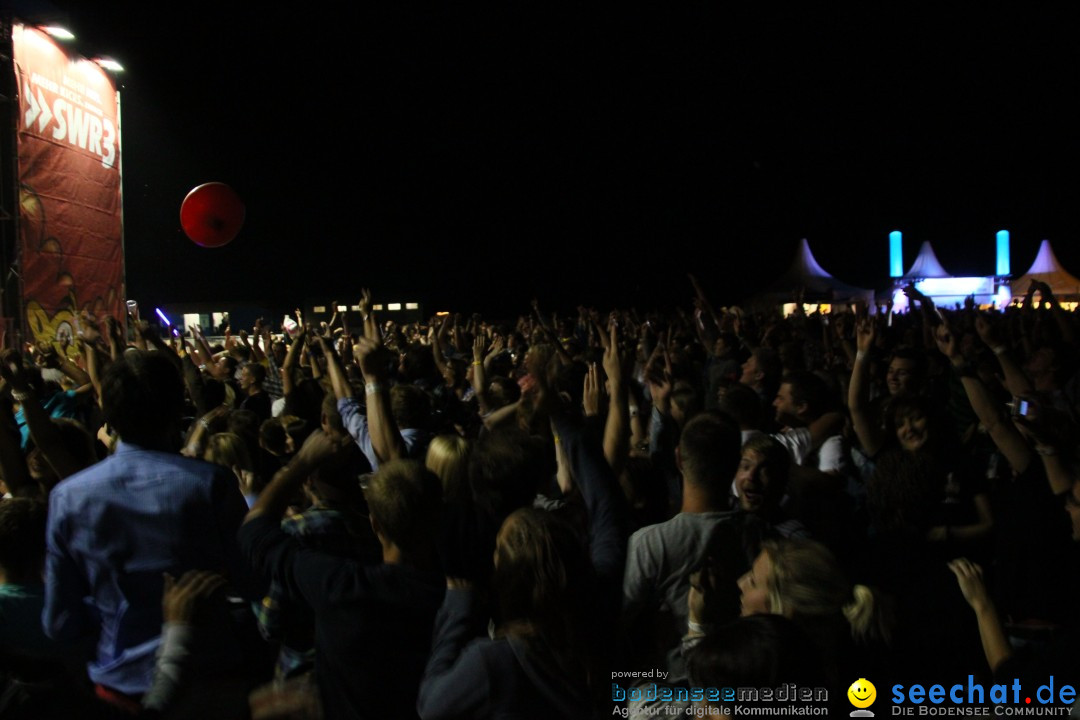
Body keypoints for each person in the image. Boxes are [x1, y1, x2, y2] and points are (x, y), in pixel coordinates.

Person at [43, 350, 249, 702]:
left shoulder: (68, 496)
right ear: (175, 407)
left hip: (119, 687)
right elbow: (251, 580)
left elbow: (59, 623)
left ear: (107, 411)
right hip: (209, 683)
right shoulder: (212, 484)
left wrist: (115, 613)